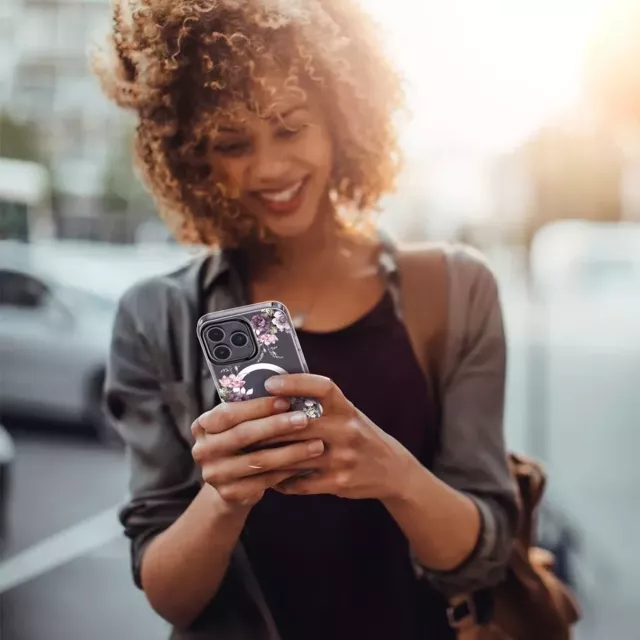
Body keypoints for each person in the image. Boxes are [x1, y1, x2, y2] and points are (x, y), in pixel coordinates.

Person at [92, 1, 517, 638]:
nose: (268, 168)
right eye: (233, 143)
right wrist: (225, 496)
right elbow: (170, 596)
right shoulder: (156, 318)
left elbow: (483, 553)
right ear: (192, 157)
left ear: (342, 119)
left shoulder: (457, 290)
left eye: (290, 128)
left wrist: (391, 472)